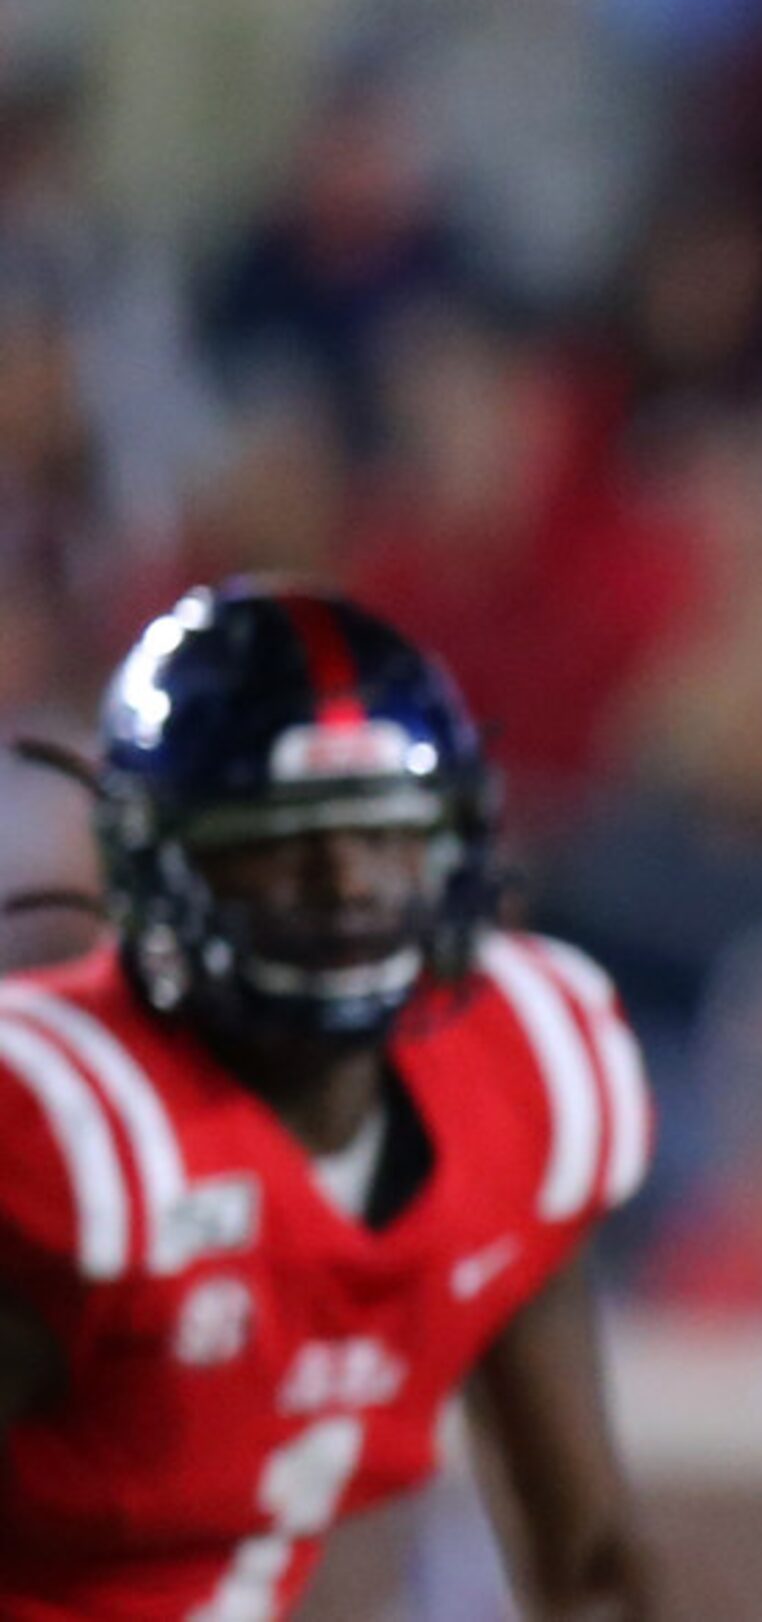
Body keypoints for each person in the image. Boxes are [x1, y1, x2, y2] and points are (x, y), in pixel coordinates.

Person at [0, 580, 655, 1618]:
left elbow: (590, 1570)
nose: (345, 884)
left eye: (381, 833)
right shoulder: (62, 1135)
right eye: (279, 840)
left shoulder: (526, 1073)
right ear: (163, 859)